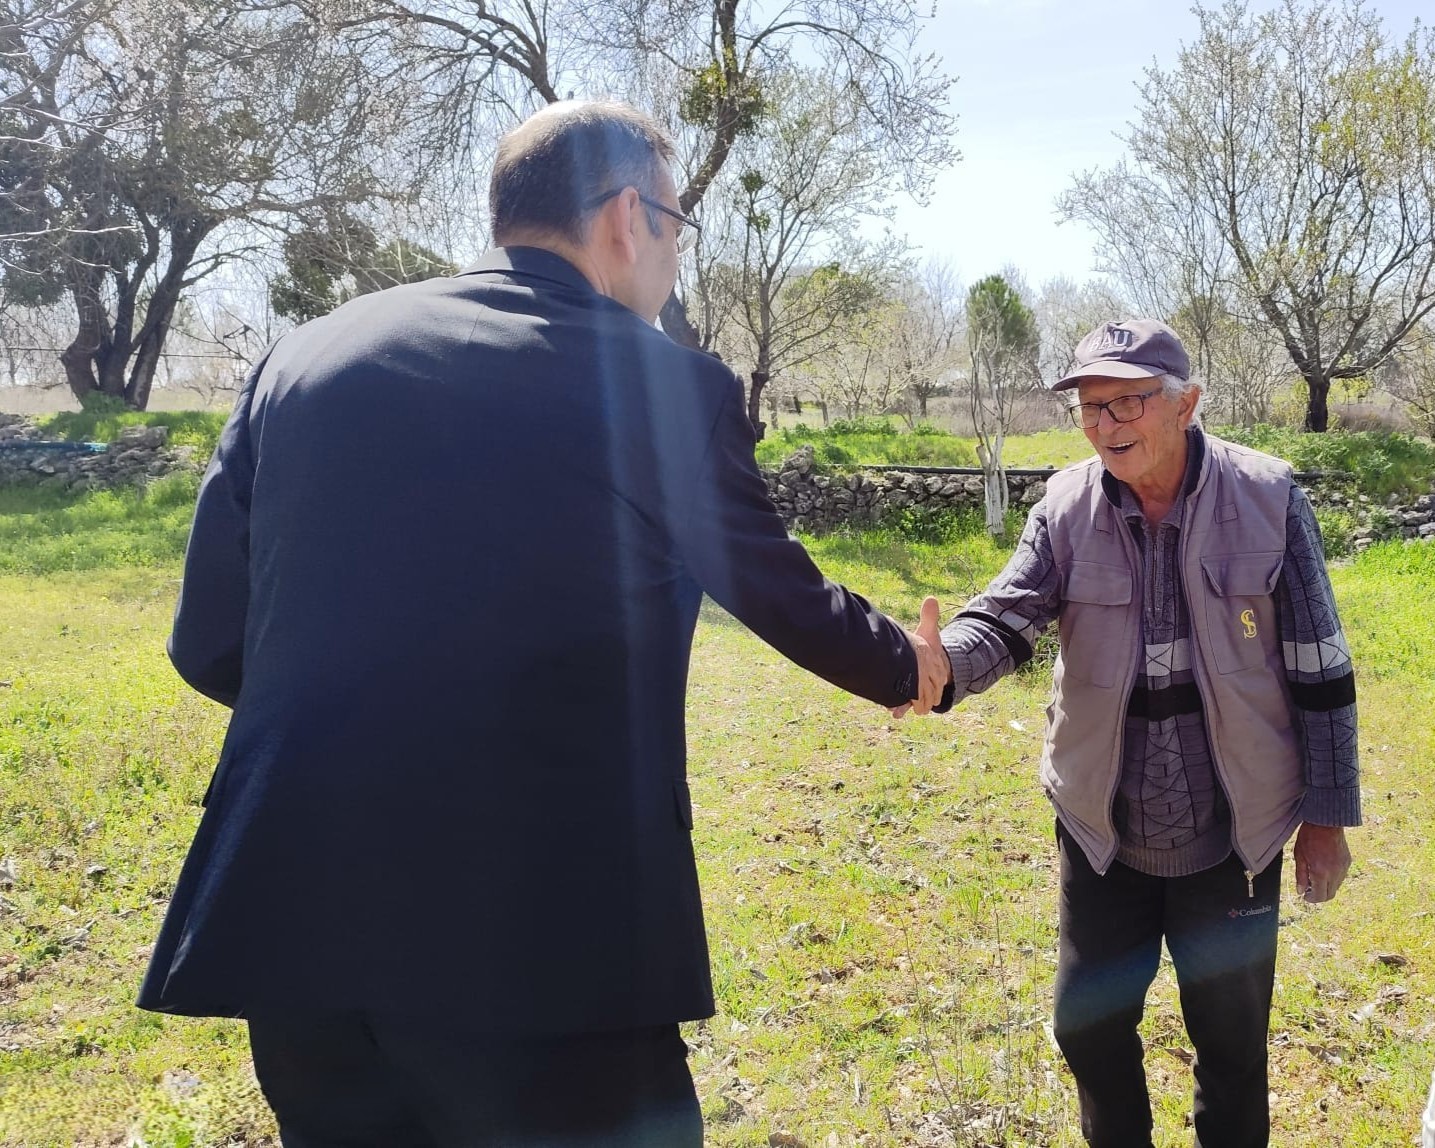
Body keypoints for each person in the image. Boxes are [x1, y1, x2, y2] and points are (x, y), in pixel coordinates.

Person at [138, 100, 948, 1147]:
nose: (670, 260)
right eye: (674, 226)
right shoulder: (662, 386)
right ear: (626, 217)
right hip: (546, 937)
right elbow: (783, 594)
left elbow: (208, 642)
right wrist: (909, 666)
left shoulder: (300, 359)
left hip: (298, 919)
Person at [910, 319, 1360, 1147]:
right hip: (1103, 827)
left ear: (1185, 403)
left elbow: (1319, 667)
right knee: (1086, 1025)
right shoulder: (1065, 506)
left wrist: (1325, 821)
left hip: (1232, 834)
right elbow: (1005, 618)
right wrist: (935, 669)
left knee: (1230, 1044)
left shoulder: (1267, 498)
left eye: (1127, 402)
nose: (1107, 424)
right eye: (1090, 406)